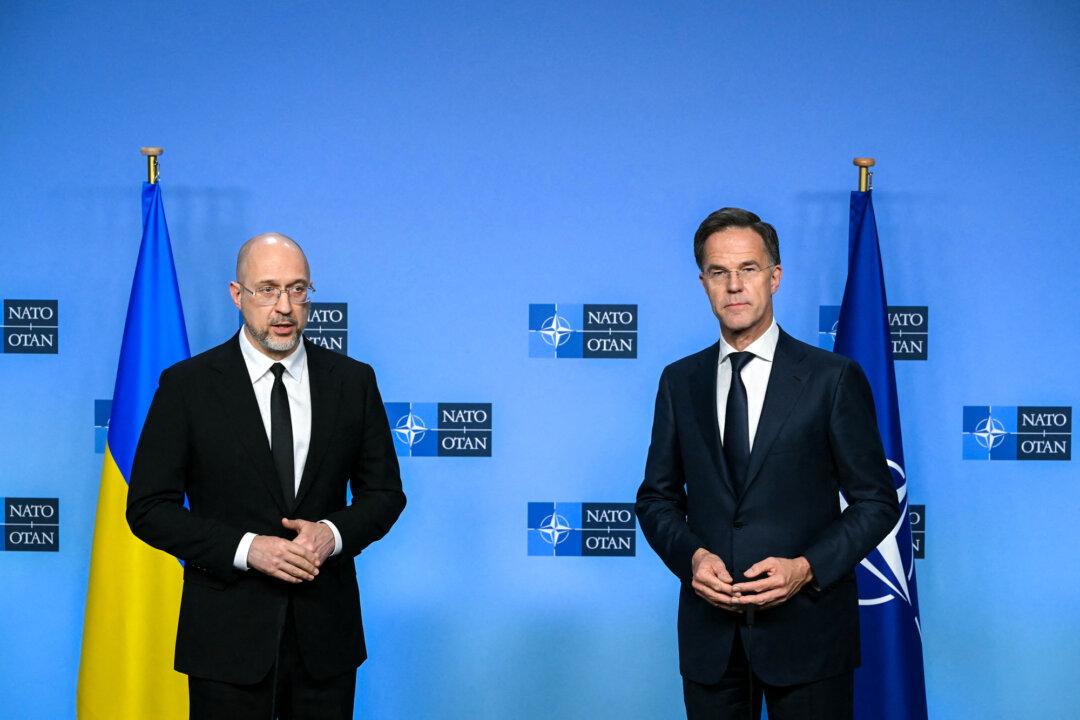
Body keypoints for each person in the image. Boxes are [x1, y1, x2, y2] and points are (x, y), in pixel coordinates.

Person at [127, 232, 406, 719]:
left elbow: (384, 494)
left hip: (326, 639)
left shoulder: (353, 381)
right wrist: (247, 549)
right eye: (268, 289)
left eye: (298, 290)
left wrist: (331, 535)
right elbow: (149, 508)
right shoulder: (186, 387)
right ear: (238, 295)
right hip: (225, 640)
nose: (284, 307)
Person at [635, 208, 899, 720]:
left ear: (774, 277)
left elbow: (875, 501)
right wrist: (691, 559)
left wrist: (806, 569)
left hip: (810, 634)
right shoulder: (678, 381)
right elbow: (656, 498)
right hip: (712, 644)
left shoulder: (832, 378)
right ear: (704, 283)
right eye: (719, 272)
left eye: (748, 269)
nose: (734, 285)